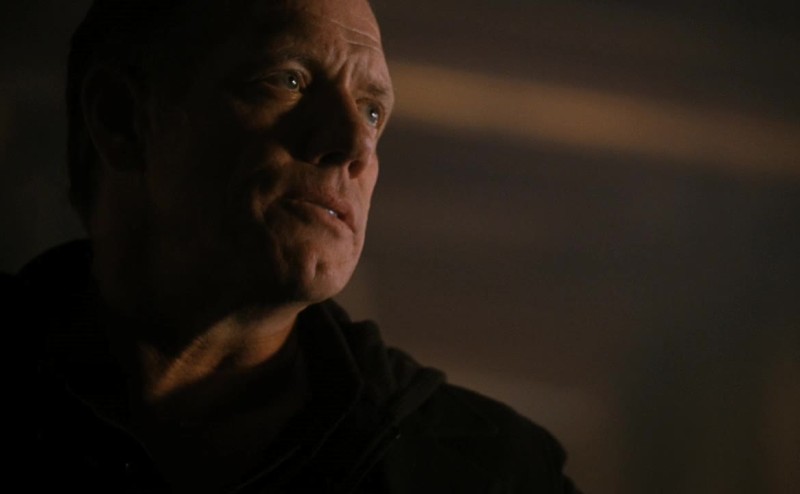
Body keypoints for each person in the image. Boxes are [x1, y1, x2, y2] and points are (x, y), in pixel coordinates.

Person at [11, 0, 580, 492]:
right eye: (288, 80)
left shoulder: (493, 474)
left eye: (372, 112)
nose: (354, 145)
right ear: (122, 119)